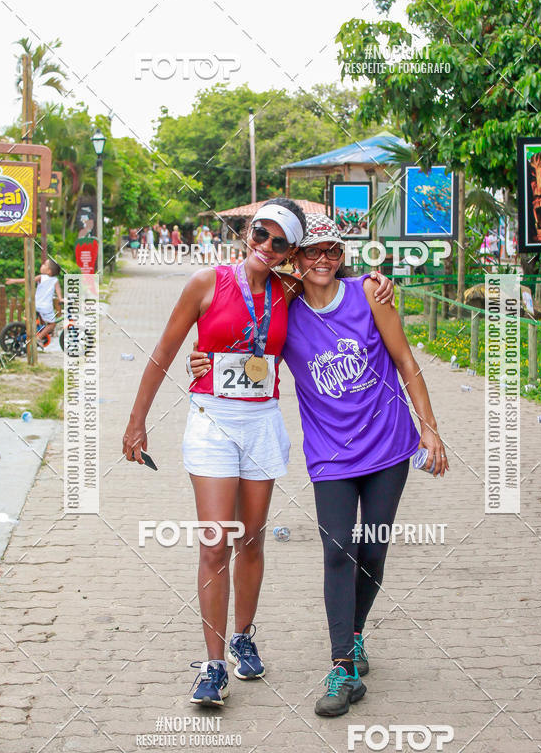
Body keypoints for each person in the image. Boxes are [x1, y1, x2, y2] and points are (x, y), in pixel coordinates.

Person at [122, 198, 394, 708]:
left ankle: (244, 635)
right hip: (212, 423)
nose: (267, 246)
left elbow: (335, 284)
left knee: (250, 541)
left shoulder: (288, 289)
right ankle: (213, 664)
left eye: (280, 241)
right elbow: (164, 352)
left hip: (263, 425)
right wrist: (137, 421)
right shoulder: (206, 282)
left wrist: (379, 281)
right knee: (213, 544)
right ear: (249, 231)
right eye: (261, 233)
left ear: (291, 252)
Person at [188, 214, 448, 717]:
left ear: (343, 256)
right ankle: (342, 667)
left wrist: (430, 429)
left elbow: (406, 361)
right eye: (311, 251)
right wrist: (202, 360)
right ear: (296, 259)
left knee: (372, 550)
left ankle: (354, 633)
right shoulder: (285, 303)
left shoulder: (370, 294)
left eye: (332, 250)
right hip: (330, 454)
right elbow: (244, 339)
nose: (323, 259)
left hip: (389, 446)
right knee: (337, 551)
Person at [6, 258, 64, 344]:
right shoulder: (55, 280)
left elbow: (27, 281)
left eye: (44, 265)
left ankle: (37, 333)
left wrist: (14, 281)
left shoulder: (41, 277)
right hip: (45, 307)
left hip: (35, 304)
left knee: (41, 322)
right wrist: (61, 299)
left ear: (48, 271)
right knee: (52, 324)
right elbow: (58, 291)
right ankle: (39, 338)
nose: (42, 265)